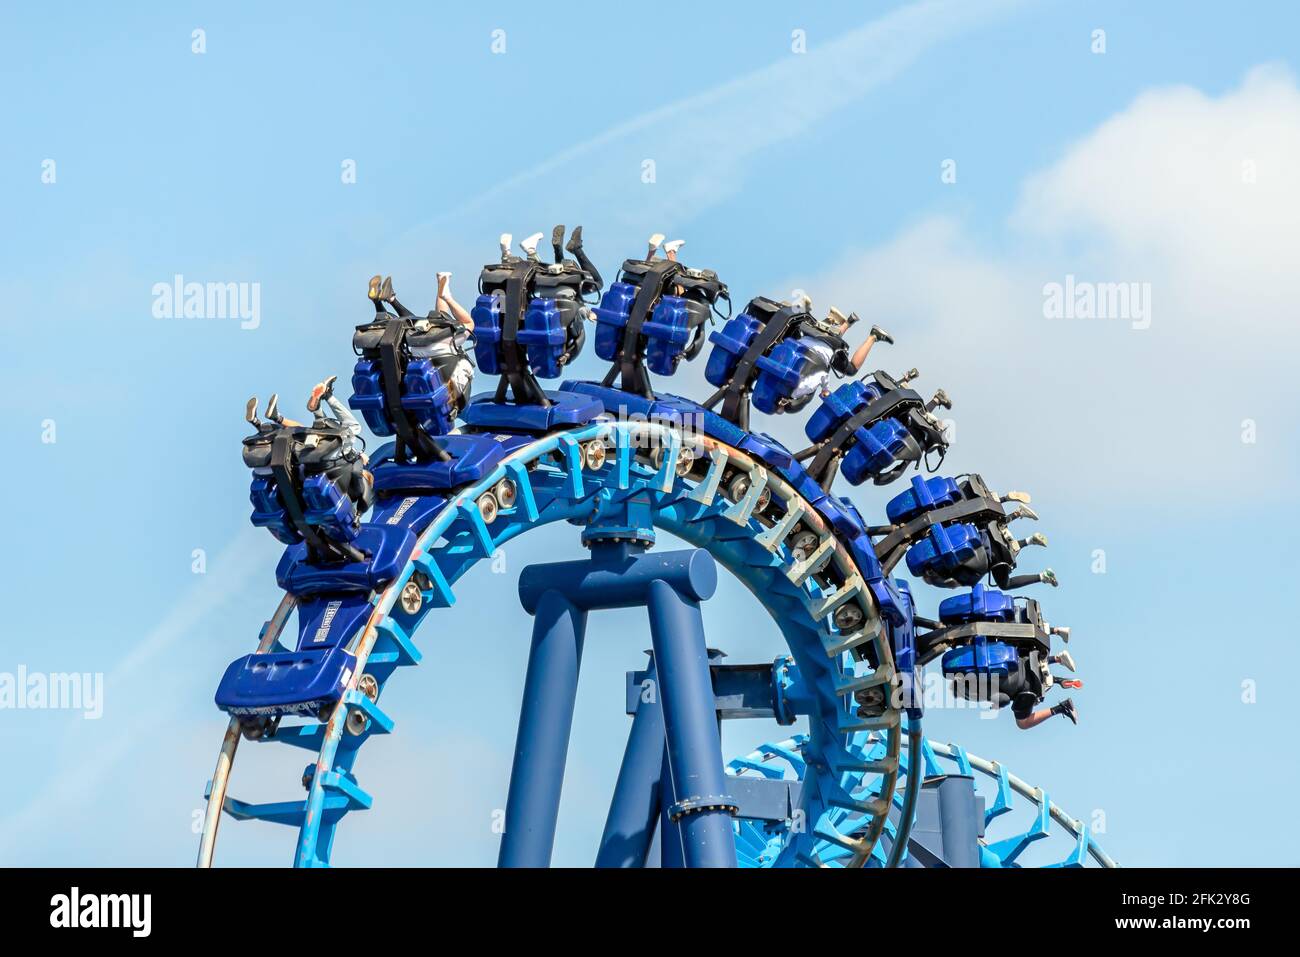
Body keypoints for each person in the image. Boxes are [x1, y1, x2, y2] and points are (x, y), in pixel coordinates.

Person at [792, 304, 895, 402]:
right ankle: (840, 320)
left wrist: (825, 390)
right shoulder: (779, 365)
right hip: (809, 336)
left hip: (828, 349)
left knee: (851, 369)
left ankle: (873, 336)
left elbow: (822, 375)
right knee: (824, 339)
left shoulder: (796, 391)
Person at [406, 271, 476, 413]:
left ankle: (442, 286)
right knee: (468, 323)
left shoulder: (415, 339)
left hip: (425, 348)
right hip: (429, 349)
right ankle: (446, 296)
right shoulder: (444, 396)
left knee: (445, 319)